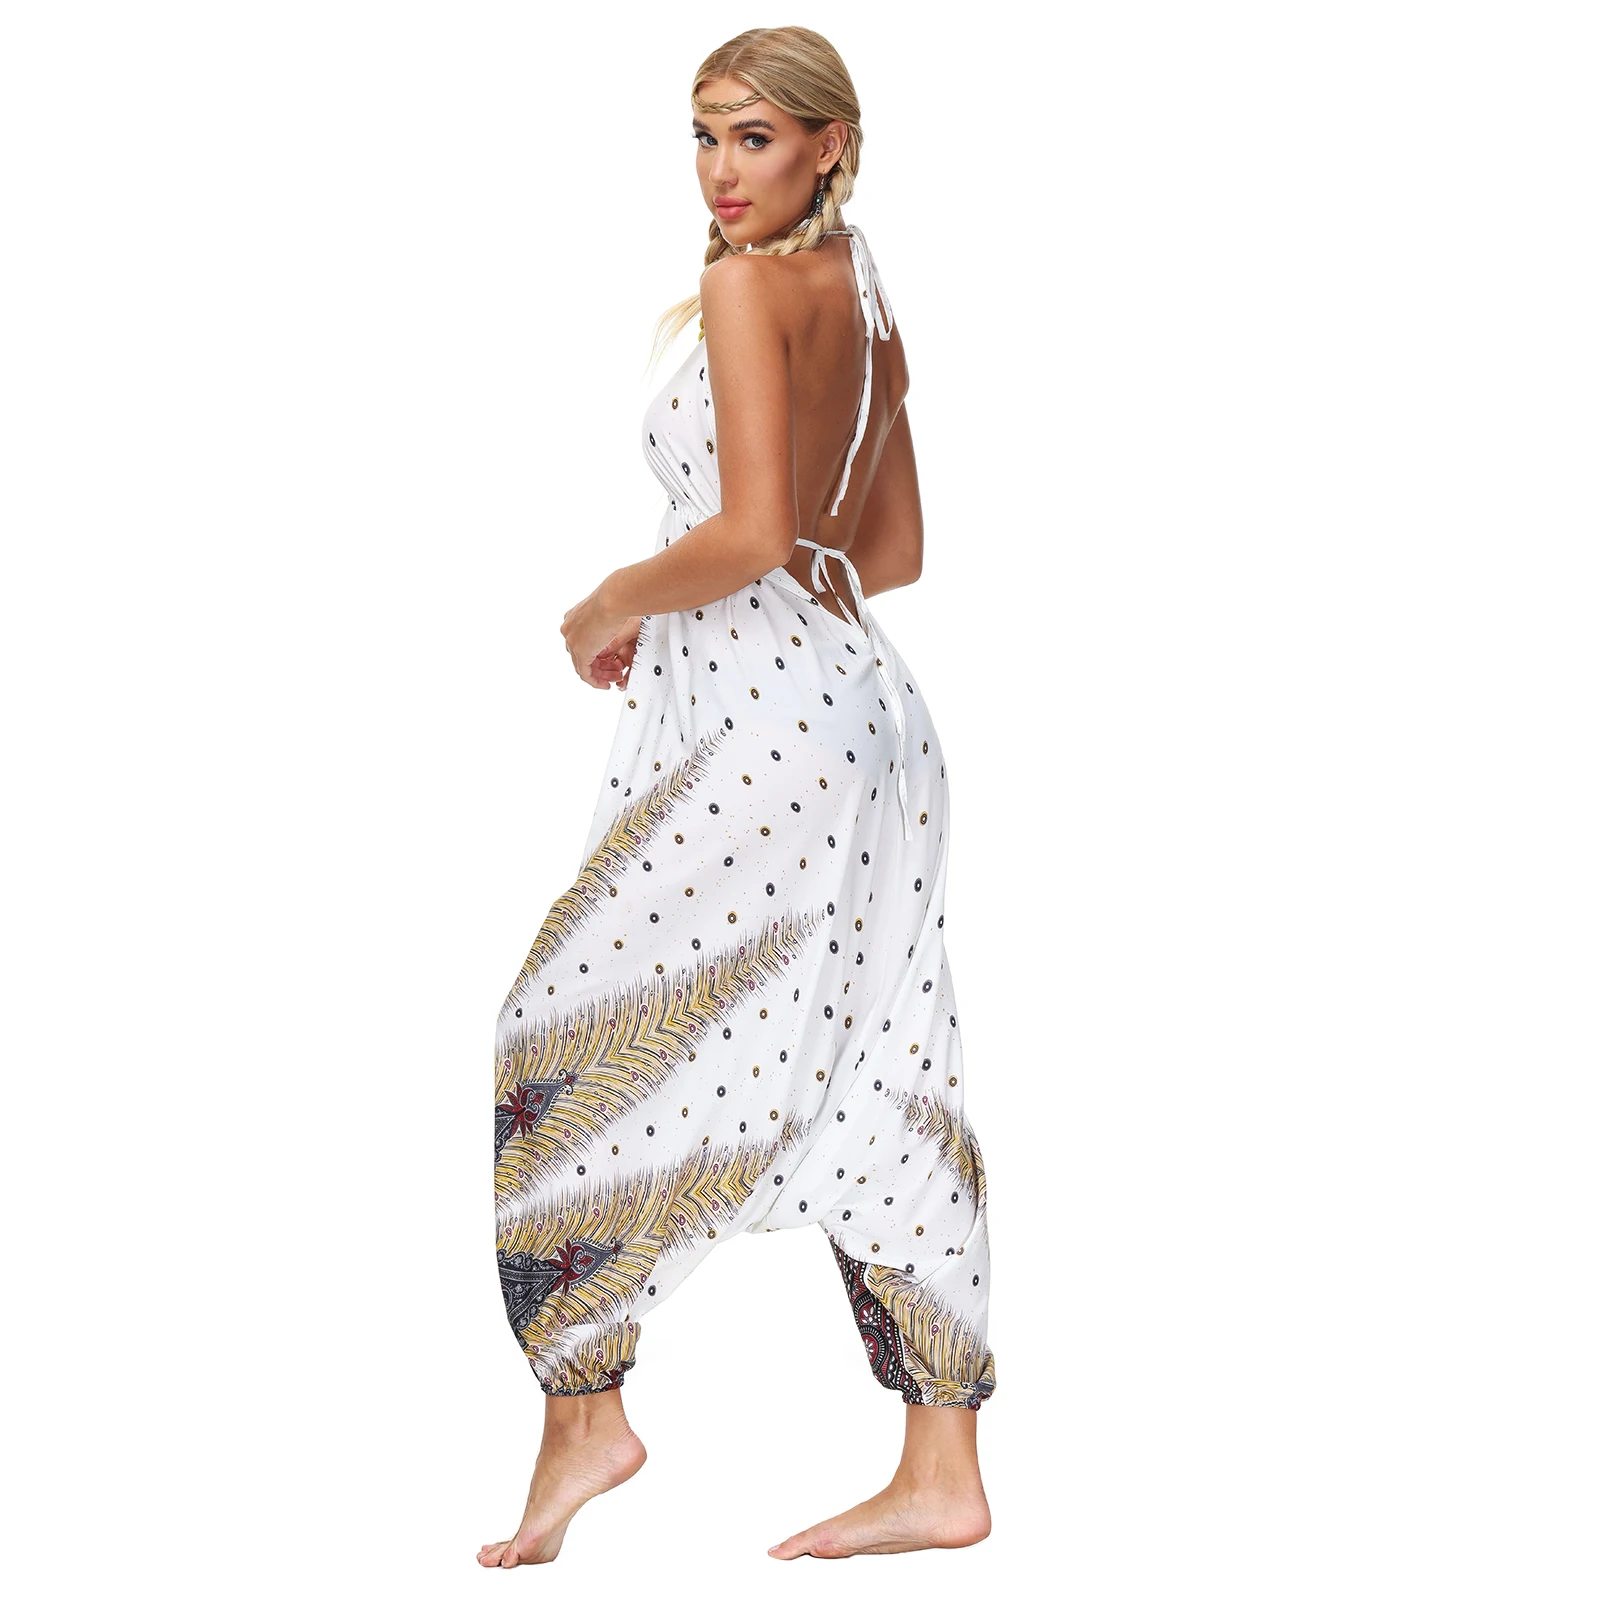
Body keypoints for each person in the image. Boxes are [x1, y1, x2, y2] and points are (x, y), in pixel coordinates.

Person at [480, 26, 999, 1567]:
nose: (721, 172)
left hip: (767, 727)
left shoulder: (749, 289)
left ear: (828, 144)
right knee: (889, 1062)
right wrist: (716, 598)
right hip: (871, 712)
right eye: (704, 136)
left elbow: (756, 534)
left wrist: (611, 602)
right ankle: (943, 1469)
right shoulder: (868, 291)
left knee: (557, 1037)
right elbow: (888, 549)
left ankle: (585, 1410)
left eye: (754, 138)